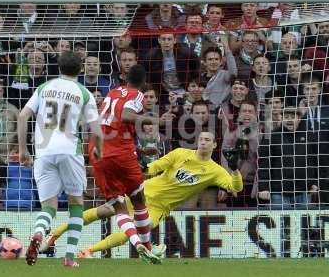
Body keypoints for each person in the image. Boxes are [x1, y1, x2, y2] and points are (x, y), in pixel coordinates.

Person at [41, 132, 243, 256]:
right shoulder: (181, 153)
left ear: (214, 145)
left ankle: (88, 252)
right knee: (101, 211)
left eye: (208, 140)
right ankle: (54, 235)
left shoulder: (216, 170)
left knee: (135, 234)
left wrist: (234, 169)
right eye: (201, 139)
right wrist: (145, 166)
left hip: (159, 208)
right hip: (142, 193)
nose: (203, 143)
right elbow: (156, 166)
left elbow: (235, 188)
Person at [18, 51, 103, 267]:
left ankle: (38, 232)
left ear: (58, 67)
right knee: (76, 203)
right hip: (69, 151)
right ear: (81, 69)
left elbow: (22, 116)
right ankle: (70, 257)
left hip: (43, 152)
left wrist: (23, 150)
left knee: (49, 205)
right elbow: (97, 131)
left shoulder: (43, 88)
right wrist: (98, 150)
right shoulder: (84, 93)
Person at [87, 64, 162, 264]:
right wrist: (154, 121)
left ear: (125, 78)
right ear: (143, 83)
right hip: (119, 151)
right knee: (138, 200)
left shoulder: (111, 92)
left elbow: (112, 122)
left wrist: (141, 151)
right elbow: (126, 116)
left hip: (97, 150)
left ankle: (137, 242)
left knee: (118, 205)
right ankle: (146, 246)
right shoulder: (137, 95)